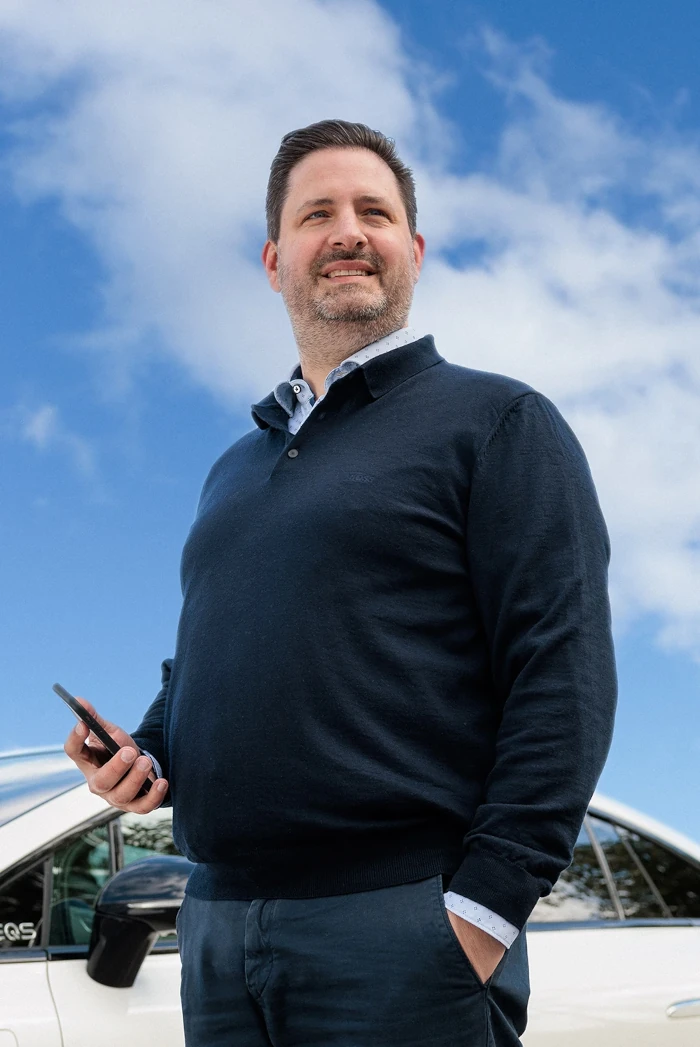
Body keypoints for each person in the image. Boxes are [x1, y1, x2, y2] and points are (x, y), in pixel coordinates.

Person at [64, 119, 618, 1046]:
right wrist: (147, 756)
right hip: (217, 926)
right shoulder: (233, 468)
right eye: (318, 212)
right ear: (277, 258)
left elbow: (562, 671)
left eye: (376, 210)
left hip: (400, 927)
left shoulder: (499, 422)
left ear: (414, 249)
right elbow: (201, 663)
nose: (349, 230)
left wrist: (480, 913)